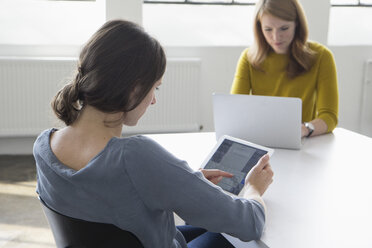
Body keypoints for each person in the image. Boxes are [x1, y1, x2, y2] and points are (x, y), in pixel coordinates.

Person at [33, 20, 274, 248]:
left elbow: (102, 202)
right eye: (154, 87)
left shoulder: (44, 146)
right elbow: (248, 223)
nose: (154, 100)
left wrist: (179, 183)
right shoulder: (136, 157)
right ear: (135, 88)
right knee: (237, 239)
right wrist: (253, 189)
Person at [231, 0, 339, 138]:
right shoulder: (248, 58)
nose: (276, 37)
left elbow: (329, 116)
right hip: (259, 140)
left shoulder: (321, 57)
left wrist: (305, 129)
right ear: (259, 28)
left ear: (297, 25)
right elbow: (235, 111)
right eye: (268, 29)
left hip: (301, 141)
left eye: (284, 28)